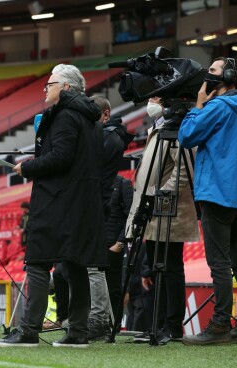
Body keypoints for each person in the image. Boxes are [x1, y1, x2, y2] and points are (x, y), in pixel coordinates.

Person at [0, 63, 106, 348]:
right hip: (80, 201)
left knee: (38, 263)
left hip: (58, 201)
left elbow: (61, 157)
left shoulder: (66, 115)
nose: (46, 89)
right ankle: (78, 332)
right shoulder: (88, 117)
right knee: (76, 265)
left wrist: (28, 167)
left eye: (50, 84)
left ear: (65, 88)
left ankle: (29, 330)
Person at [179, 57, 237, 345]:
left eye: (213, 70)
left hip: (216, 192)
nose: (208, 75)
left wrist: (198, 104)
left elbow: (187, 136)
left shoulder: (216, 106)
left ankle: (218, 326)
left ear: (227, 76)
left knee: (219, 262)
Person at [126, 96, 200, 344]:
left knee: (170, 267)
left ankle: (172, 325)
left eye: (155, 99)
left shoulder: (179, 128)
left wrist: (161, 196)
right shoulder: (157, 129)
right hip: (153, 210)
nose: (150, 102)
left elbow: (182, 171)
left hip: (170, 210)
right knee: (158, 268)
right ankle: (157, 325)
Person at [86, 95, 134, 340]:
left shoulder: (108, 140)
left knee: (111, 284)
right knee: (91, 274)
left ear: (105, 114)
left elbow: (128, 215)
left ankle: (106, 323)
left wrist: (120, 241)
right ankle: (99, 321)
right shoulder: (105, 139)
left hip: (111, 240)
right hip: (99, 227)